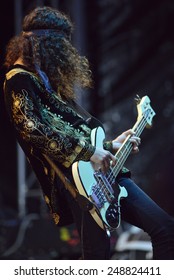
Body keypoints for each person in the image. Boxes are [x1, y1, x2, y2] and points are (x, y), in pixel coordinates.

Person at [3, 6, 174, 260]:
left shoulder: (44, 79)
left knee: (165, 229)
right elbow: (35, 131)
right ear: (46, 44)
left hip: (100, 176)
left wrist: (110, 145)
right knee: (97, 261)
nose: (66, 55)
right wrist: (89, 151)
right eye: (61, 47)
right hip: (77, 182)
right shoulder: (18, 80)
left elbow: (72, 132)